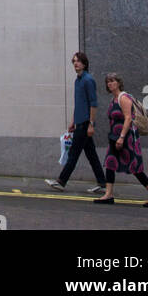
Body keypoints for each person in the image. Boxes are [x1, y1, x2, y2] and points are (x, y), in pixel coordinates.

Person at [94, 73, 148, 207]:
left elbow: (128, 118)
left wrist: (122, 137)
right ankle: (108, 195)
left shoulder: (123, 97)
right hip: (114, 136)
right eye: (108, 82)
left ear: (118, 83)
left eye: (112, 81)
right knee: (109, 163)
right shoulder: (113, 99)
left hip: (126, 138)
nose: (110, 84)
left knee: (135, 167)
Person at [45, 51, 106, 194]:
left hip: (85, 124)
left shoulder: (88, 80)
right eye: (74, 61)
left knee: (73, 153)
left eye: (78, 61)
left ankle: (61, 181)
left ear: (84, 63)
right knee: (91, 155)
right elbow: (79, 104)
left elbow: (93, 103)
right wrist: (73, 121)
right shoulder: (77, 80)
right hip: (80, 123)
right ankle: (102, 183)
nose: (75, 63)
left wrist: (91, 124)